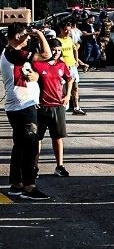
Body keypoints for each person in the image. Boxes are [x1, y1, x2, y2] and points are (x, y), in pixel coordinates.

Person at [3, 22, 52, 200]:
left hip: (19, 104)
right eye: (26, 35)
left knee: (20, 146)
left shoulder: (12, 54)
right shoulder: (13, 52)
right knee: (30, 147)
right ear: (17, 36)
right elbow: (47, 55)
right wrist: (40, 34)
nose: (28, 38)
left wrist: (36, 76)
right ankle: (29, 187)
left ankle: (16, 184)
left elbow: (33, 73)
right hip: (22, 106)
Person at [31, 39, 73, 177]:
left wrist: (67, 96)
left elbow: (69, 79)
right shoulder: (37, 64)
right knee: (37, 138)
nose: (56, 52)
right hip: (41, 107)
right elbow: (30, 82)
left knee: (58, 137)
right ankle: (34, 167)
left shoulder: (61, 64)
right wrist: (33, 100)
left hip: (57, 106)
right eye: (54, 49)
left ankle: (59, 166)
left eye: (59, 50)